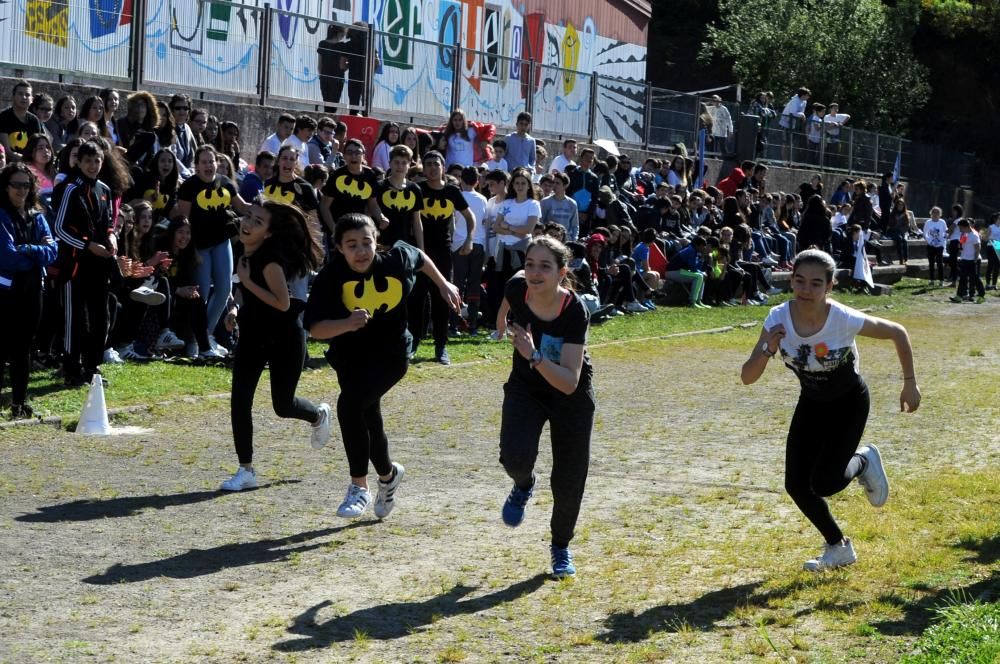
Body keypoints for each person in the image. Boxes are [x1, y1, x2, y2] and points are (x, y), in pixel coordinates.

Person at [741, 249, 920, 572]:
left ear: (830, 287)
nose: (805, 290)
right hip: (811, 403)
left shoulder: (842, 318)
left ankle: (864, 461)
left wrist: (909, 383)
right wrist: (769, 347)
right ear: (791, 280)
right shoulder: (777, 318)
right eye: (799, 281)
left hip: (848, 403)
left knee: (825, 483)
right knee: (796, 485)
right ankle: (838, 548)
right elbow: (747, 377)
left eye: (815, 283)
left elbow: (897, 332)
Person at [304, 213, 461, 518]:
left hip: (391, 354)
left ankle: (358, 487)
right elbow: (315, 328)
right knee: (368, 418)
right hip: (350, 357)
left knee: (349, 406)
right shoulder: (331, 276)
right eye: (352, 245)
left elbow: (420, 257)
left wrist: (444, 285)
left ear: (377, 241)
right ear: (339, 248)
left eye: (367, 242)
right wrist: (347, 324)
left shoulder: (395, 260)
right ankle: (388, 477)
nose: (361, 251)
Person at [495, 236, 595, 578]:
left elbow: (569, 380)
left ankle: (560, 546)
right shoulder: (515, 287)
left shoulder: (575, 311)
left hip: (570, 394)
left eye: (545, 266)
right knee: (514, 457)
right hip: (527, 387)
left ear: (561, 272)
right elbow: (507, 305)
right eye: (530, 264)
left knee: (569, 477)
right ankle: (523, 485)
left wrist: (534, 355)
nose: (535, 273)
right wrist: (500, 327)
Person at [221, 201, 330, 491]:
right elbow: (245, 292)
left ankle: (318, 414)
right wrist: (234, 310)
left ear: (269, 234)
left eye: (258, 221)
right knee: (240, 400)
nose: (248, 223)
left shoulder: (269, 262)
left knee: (283, 405)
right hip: (254, 335)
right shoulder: (244, 252)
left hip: (285, 336)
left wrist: (247, 282)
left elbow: (282, 303)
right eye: (248, 216)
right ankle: (246, 470)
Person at [175, 145, 252, 355]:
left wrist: (264, 208)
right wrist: (191, 251)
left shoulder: (225, 182)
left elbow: (243, 207)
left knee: (224, 288)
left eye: (212, 161)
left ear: (217, 163)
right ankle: (194, 342)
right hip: (199, 246)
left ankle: (205, 337)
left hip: (221, 242)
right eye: (204, 162)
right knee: (202, 294)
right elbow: (184, 221)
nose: (209, 166)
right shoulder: (189, 186)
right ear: (197, 166)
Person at [51, 141, 116, 386]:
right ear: (78, 161)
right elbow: (59, 229)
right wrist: (87, 245)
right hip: (75, 265)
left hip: (99, 265)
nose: (92, 165)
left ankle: (92, 365)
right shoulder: (69, 188)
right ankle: (70, 365)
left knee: (101, 316)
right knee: (74, 318)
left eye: (97, 160)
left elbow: (109, 222)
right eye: (87, 160)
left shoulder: (104, 189)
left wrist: (111, 237)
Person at [0, 163, 58, 418]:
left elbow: (53, 252)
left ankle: (19, 404)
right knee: (4, 347)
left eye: (26, 185)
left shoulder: (37, 215)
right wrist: (36, 251)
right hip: (6, 292)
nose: (21, 190)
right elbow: (7, 257)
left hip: (33, 290)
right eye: (16, 185)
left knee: (24, 348)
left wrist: (28, 249)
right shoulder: (1, 215)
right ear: (6, 187)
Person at [411, 151, 473, 363]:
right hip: (420, 252)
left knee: (441, 298)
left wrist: (469, 239)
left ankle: (440, 347)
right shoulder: (418, 189)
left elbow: (469, 216)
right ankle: (414, 343)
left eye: (435, 164)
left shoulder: (452, 191)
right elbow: (414, 220)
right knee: (417, 298)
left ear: (443, 167)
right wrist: (420, 250)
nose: (431, 168)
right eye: (427, 164)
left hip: (443, 252)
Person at [318, 138, 383, 237]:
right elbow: (324, 206)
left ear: (363, 156)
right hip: (339, 227)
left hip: (359, 227)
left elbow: (373, 204)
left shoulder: (370, 175)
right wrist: (334, 230)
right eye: (349, 152)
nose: (353, 156)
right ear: (344, 156)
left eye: (358, 153)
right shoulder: (337, 175)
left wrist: (381, 217)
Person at [453, 166, 488, 333]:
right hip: (478, 244)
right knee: (474, 285)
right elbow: (484, 223)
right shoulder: (482, 199)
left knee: (457, 284)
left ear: (461, 179)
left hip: (459, 244)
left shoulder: (457, 196)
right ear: (477, 181)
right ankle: (472, 324)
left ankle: (454, 322)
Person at [665, 234, 711, 308]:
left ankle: (699, 301)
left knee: (701, 275)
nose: (704, 248)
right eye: (703, 245)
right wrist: (702, 262)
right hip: (672, 272)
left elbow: (695, 267)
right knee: (699, 276)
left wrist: (702, 259)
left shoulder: (693, 250)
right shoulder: (691, 251)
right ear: (697, 245)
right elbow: (693, 269)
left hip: (680, 271)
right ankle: (692, 302)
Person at [0, 80, 44, 154]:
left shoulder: (34, 120)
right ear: (13, 97)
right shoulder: (3, 117)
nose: (24, 97)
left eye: (27, 95)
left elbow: (37, 146)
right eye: (20, 94)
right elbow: (7, 151)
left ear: (32, 100)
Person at [950, 218, 985, 304]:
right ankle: (959, 296)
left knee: (975, 278)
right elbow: (962, 244)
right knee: (962, 278)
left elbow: (978, 247)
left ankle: (981, 295)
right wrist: (960, 248)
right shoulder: (964, 234)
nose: (960, 230)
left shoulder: (974, 234)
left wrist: (975, 260)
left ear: (965, 227)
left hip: (973, 260)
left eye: (961, 228)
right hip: (965, 259)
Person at [540, 172, 579, 242]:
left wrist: (574, 240)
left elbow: (574, 225)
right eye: (553, 182)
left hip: (565, 240)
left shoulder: (572, 204)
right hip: (549, 240)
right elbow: (541, 222)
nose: (554, 185)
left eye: (557, 183)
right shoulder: (545, 202)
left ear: (565, 185)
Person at [923, 206, 947, 286]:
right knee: (931, 263)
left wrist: (942, 241)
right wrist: (929, 241)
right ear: (931, 213)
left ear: (940, 214)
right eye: (934, 212)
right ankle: (931, 280)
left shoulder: (942, 222)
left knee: (940, 263)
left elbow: (946, 233)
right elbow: (925, 233)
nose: (935, 214)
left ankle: (941, 280)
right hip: (930, 245)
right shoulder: (928, 222)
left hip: (940, 245)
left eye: (937, 213)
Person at [984, 212, 1000, 291]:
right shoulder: (991, 227)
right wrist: (992, 240)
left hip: (998, 246)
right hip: (991, 245)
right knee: (990, 265)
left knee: (997, 266)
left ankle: (994, 284)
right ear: (996, 219)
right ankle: (987, 284)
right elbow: (986, 238)